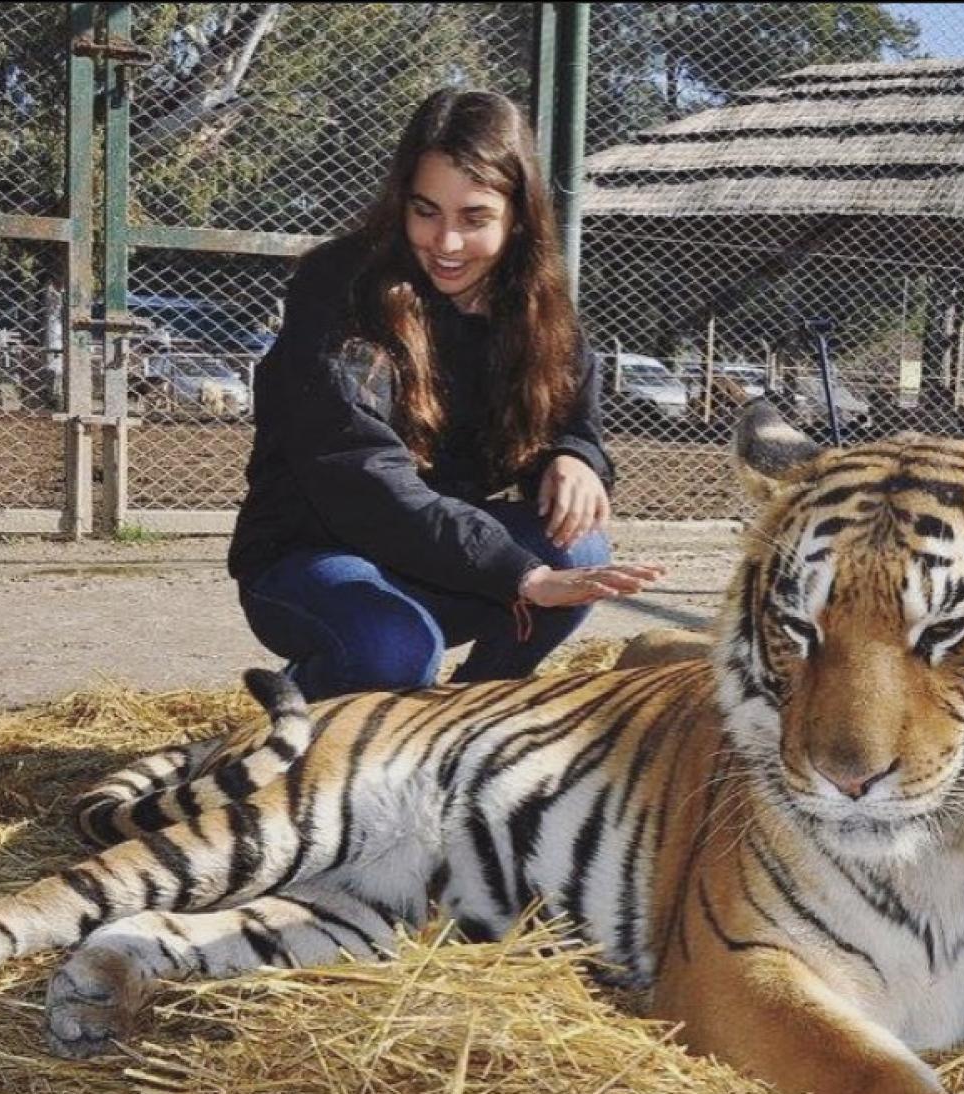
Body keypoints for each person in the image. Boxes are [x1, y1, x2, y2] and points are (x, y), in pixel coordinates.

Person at [229, 88, 663, 699]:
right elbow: (360, 474)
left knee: (578, 547)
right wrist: (519, 573)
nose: (447, 242)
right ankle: (302, 702)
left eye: (475, 217)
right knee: (396, 648)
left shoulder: (535, 303)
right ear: (400, 201)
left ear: (519, 214)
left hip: (440, 562)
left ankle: (469, 716)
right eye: (426, 211)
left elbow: (575, 417)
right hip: (313, 554)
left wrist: (576, 457)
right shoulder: (340, 286)